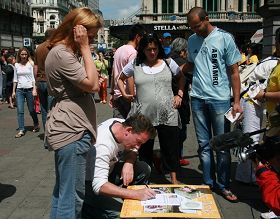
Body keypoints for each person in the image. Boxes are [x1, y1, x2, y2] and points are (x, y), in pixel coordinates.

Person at [44, 7, 102, 219]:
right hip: (72, 131)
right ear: (79, 30)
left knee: (63, 193)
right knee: (72, 196)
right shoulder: (62, 54)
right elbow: (93, 85)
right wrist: (86, 49)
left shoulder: (63, 52)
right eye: (91, 34)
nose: (93, 39)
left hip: (71, 128)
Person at [183, 7, 242, 202]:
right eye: (192, 27)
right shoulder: (192, 40)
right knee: (203, 144)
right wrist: (170, 68)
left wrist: (236, 101)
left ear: (207, 19)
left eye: (197, 26)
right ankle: (208, 182)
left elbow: (234, 72)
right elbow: (190, 65)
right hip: (198, 98)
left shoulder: (225, 38)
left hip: (220, 99)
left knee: (222, 144)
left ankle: (224, 185)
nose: (195, 30)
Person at [118, 32, 185, 184]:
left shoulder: (168, 62)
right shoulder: (136, 63)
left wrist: (179, 95)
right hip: (144, 116)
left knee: (171, 148)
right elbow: (120, 78)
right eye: (149, 49)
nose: (152, 52)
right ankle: (146, 178)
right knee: (144, 148)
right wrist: (124, 94)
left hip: (167, 114)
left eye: (154, 48)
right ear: (143, 50)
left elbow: (181, 77)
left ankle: (174, 179)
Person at [82, 113, 157, 219]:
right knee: (123, 213)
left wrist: (129, 162)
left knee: (144, 169)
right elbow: (99, 185)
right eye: (138, 142)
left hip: (109, 171)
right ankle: (89, 209)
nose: (138, 147)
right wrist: (135, 194)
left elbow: (134, 149)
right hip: (88, 185)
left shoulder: (122, 124)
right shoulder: (102, 145)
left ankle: (124, 197)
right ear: (128, 131)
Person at [109, 24, 146, 119]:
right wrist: (132, 95)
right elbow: (130, 76)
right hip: (127, 95)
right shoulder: (133, 53)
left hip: (117, 94)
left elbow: (114, 73)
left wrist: (112, 92)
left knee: (119, 125)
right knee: (132, 126)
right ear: (137, 37)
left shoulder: (119, 50)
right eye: (143, 37)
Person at [170, 37, 191, 166]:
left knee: (170, 131)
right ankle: (177, 157)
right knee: (181, 131)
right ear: (183, 51)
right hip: (181, 101)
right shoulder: (184, 63)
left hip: (167, 99)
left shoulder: (166, 60)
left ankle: (171, 157)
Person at [12, 47, 39, 138]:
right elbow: (15, 79)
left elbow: (33, 78)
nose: (24, 56)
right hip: (19, 90)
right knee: (20, 111)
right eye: (22, 54)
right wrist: (13, 91)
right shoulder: (16, 65)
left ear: (27, 55)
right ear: (19, 55)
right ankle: (21, 129)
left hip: (29, 89)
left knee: (31, 110)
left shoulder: (30, 64)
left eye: (25, 54)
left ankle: (36, 123)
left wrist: (34, 89)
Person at [33, 28, 56, 131]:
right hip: (51, 81)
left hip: (40, 80)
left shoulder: (38, 48)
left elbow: (35, 67)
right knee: (52, 109)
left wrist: (36, 81)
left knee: (43, 109)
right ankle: (52, 136)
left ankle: (46, 135)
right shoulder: (53, 47)